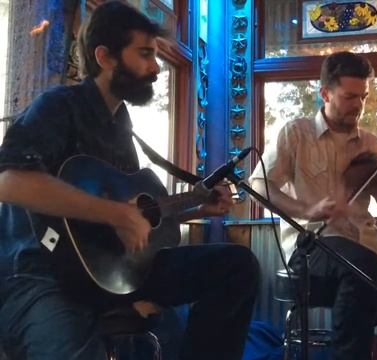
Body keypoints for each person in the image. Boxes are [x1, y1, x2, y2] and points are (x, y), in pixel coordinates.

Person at [0, 2, 258, 359]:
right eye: (145, 54)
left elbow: (131, 220)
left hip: (109, 268)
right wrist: (116, 214)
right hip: (43, 272)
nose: (155, 68)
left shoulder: (121, 125)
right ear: (105, 57)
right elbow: (11, 181)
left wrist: (197, 208)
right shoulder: (58, 106)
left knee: (237, 267)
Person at [250, 51, 377, 360]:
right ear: (325, 93)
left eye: (364, 96)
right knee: (365, 267)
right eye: (349, 97)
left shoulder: (370, 143)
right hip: (313, 244)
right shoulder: (296, 134)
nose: (359, 105)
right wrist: (306, 209)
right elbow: (259, 185)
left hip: (367, 246)